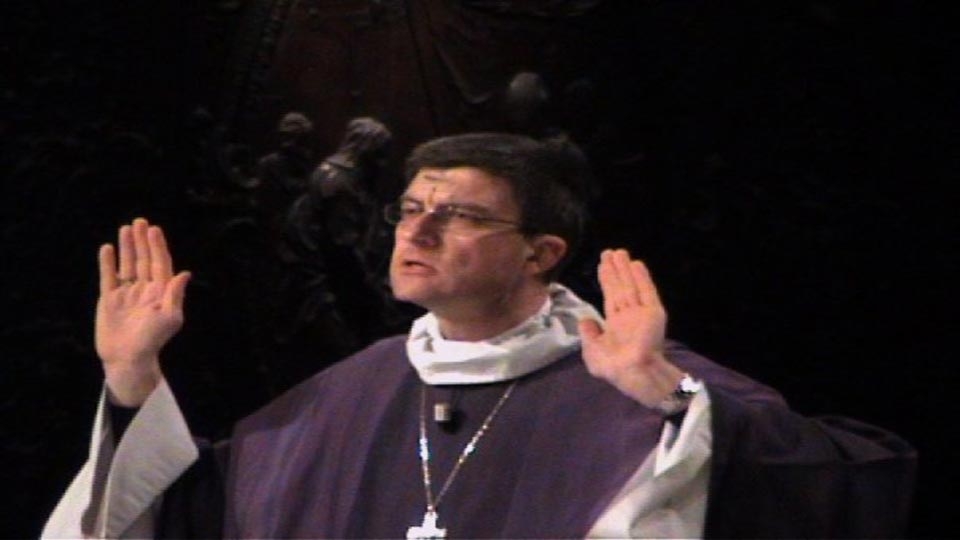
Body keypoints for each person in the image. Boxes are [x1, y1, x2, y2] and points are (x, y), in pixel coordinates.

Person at [44, 133, 915, 539]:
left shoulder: (633, 373)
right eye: (409, 209)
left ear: (542, 252)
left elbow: (841, 484)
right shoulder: (353, 387)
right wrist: (133, 377)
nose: (417, 231)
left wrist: (672, 400)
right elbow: (191, 514)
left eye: (457, 216)